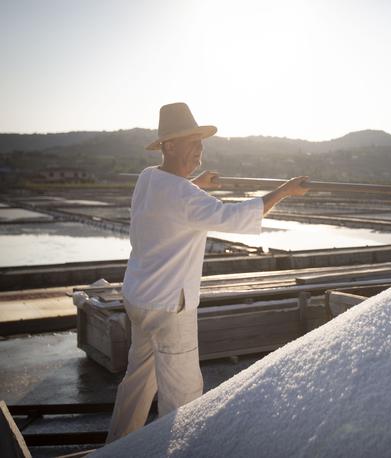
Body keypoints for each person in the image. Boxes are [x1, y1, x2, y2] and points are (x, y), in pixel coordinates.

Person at [106, 102, 309, 442]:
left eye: (201, 142)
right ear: (169, 145)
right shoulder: (185, 195)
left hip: (139, 299)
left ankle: (116, 447)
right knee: (182, 394)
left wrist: (197, 182)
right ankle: (179, 450)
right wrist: (285, 190)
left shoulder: (148, 178)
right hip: (171, 306)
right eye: (191, 142)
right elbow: (231, 217)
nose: (200, 149)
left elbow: (173, 196)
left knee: (138, 381)